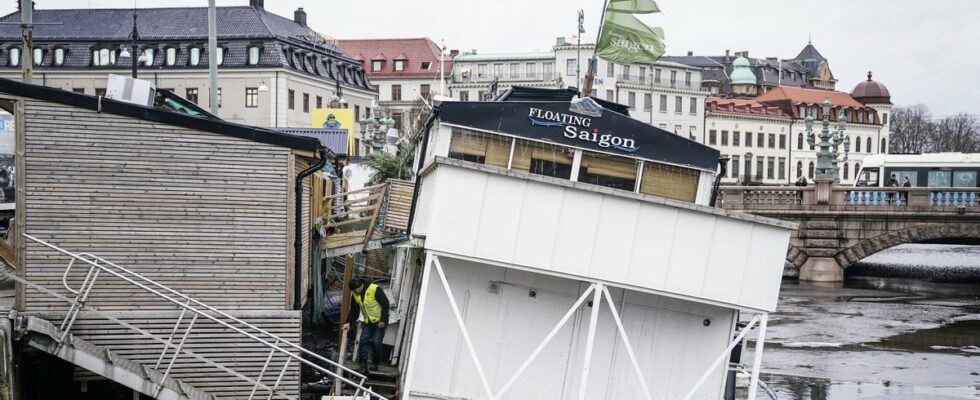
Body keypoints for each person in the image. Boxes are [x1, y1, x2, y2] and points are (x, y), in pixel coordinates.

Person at [343, 278, 390, 373]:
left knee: (376, 342)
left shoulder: (374, 289)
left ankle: (375, 363)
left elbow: (385, 304)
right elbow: (354, 310)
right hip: (367, 321)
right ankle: (363, 364)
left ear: (361, 285)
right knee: (363, 341)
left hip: (380, 322)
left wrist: (383, 320)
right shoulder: (355, 295)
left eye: (357, 289)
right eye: (353, 290)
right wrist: (348, 322)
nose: (356, 291)